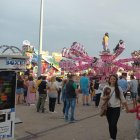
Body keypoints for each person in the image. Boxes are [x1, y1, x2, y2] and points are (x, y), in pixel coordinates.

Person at [102, 74, 129, 140]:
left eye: (114, 79)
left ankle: (113, 138)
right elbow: (102, 97)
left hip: (116, 109)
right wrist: (106, 97)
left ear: (116, 80)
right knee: (110, 124)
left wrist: (127, 108)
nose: (112, 80)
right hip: (108, 108)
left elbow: (123, 99)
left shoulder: (118, 88)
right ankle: (112, 137)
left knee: (113, 124)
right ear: (109, 79)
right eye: (111, 79)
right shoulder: (106, 87)